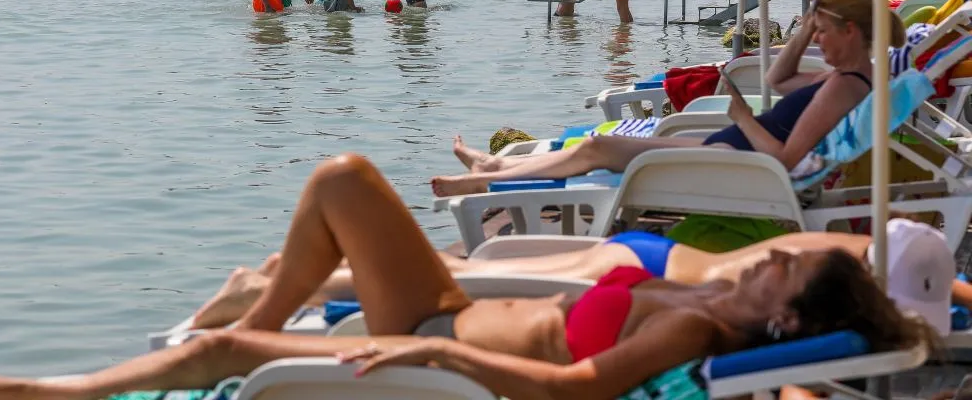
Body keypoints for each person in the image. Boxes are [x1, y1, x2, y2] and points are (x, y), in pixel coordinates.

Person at [0, 154, 934, 400]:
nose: (777, 250)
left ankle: (36, 392)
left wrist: (421, 346)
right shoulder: (710, 300)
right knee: (343, 181)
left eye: (787, 261)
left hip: (443, 353)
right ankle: (272, 334)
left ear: (787, 308)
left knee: (220, 340)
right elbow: (557, 308)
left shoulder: (696, 336)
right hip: (448, 310)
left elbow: (568, 387)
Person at [431, 0, 901, 196]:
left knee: (598, 146)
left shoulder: (843, 87)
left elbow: (785, 159)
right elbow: (778, 81)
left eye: (823, 33)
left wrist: (739, 118)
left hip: (743, 162)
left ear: (853, 31)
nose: (816, 41)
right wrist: (804, 28)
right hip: (729, 149)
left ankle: (488, 178)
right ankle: (497, 166)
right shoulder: (851, 79)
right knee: (599, 147)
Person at [192, 218, 959, 333]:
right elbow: (947, 293)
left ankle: (279, 277)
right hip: (646, 268)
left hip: (648, 256)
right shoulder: (837, 275)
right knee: (459, 274)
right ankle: (279, 285)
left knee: (461, 266)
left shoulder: (839, 248)